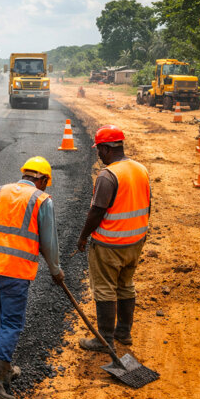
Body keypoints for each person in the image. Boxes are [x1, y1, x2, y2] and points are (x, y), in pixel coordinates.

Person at [0, 156, 64, 399]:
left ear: (25, 175)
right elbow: (49, 242)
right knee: (12, 323)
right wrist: (55, 270)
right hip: (15, 271)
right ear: (41, 179)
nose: (45, 187)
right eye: (46, 182)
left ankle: (3, 368)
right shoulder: (41, 199)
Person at [76, 125, 150, 352]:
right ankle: (124, 332)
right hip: (135, 241)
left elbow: (96, 211)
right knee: (126, 285)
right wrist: (142, 233)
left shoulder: (108, 176)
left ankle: (104, 339)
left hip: (110, 244)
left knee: (105, 289)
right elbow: (149, 203)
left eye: (99, 149)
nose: (98, 154)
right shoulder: (140, 169)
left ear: (107, 148)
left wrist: (83, 237)